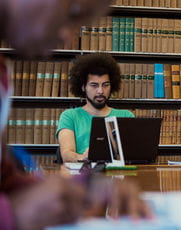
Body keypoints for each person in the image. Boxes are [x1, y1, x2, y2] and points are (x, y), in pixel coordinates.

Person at [0, 1, 151, 230]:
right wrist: (12, 213)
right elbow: (67, 154)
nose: (67, 36)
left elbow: (5, 180)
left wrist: (84, 187)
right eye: (73, 12)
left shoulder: (2, 73)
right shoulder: (70, 115)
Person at [56, 53, 134, 162]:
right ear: (83, 87)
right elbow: (66, 155)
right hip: (82, 175)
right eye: (94, 85)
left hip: (119, 176)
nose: (100, 91)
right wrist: (82, 157)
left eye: (105, 85)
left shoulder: (126, 116)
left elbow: (133, 154)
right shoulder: (70, 116)